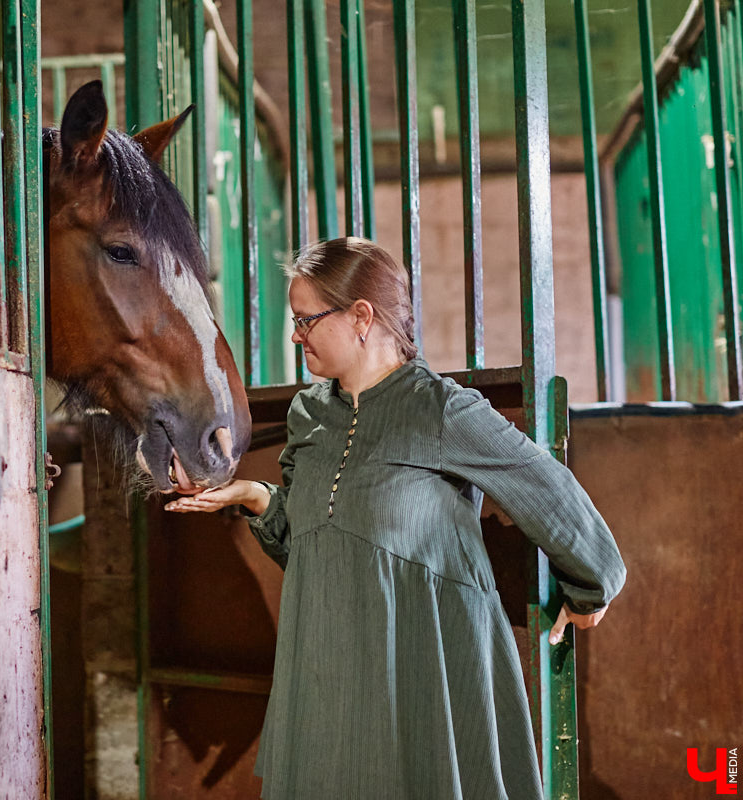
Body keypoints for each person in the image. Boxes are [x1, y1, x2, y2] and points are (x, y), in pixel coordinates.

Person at [164, 237, 626, 799]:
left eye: (306, 321)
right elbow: (317, 544)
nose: (295, 335)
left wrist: (591, 587)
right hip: (326, 670)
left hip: (422, 672)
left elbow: (547, 488)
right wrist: (254, 496)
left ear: (362, 316)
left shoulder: (442, 410)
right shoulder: (307, 415)